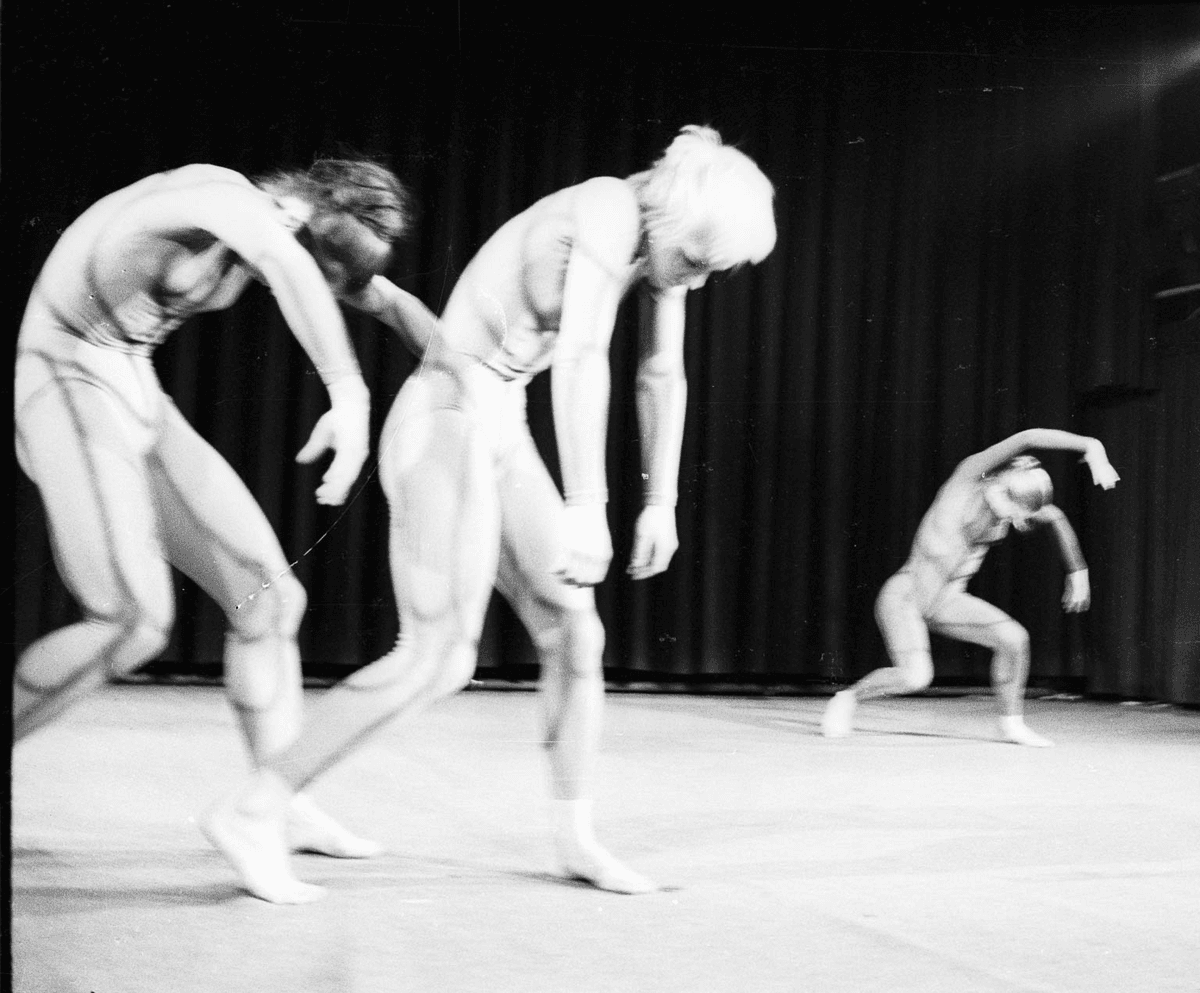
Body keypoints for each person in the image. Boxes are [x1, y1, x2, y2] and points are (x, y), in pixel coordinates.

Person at [205, 125, 778, 903]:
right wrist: (587, 507)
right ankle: (253, 808)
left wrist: (662, 502)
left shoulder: (655, 240)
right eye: (701, 263)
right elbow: (580, 354)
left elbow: (660, 372)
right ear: (678, 218)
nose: (701, 282)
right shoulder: (608, 208)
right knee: (438, 655)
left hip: (497, 417)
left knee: (577, 630)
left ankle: (576, 836)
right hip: (447, 411)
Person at [13, 158, 437, 879]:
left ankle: (275, 803)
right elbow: (280, 257)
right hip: (63, 379)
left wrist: (479, 380)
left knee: (268, 599)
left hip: (132, 386)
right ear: (301, 216)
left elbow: (387, 303)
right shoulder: (221, 198)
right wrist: (350, 397)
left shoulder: (292, 242)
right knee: (130, 618)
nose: (317, 290)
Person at [821, 429, 1120, 744]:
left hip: (948, 601)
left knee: (1014, 639)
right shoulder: (966, 479)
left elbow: (1054, 516)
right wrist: (1092, 446)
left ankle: (1010, 723)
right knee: (916, 676)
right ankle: (848, 698)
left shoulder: (1013, 506)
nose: (1011, 521)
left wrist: (1078, 571)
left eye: (1018, 518)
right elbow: (1028, 438)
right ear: (1002, 483)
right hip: (906, 596)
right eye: (1010, 510)